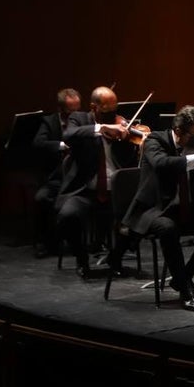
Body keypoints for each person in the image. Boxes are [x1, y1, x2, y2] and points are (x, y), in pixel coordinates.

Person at [119, 106, 194, 311]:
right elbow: (161, 164)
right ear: (178, 132)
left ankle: (183, 277)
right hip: (154, 209)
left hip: (185, 208)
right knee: (168, 229)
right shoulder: (155, 140)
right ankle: (185, 290)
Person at [54, 86, 140, 277]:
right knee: (68, 216)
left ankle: (115, 257)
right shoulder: (79, 119)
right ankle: (81, 259)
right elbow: (68, 135)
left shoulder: (121, 124)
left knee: (142, 216)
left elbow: (128, 159)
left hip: (115, 192)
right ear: (94, 107)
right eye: (106, 110)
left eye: (114, 109)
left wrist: (126, 139)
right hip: (85, 190)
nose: (112, 115)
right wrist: (101, 128)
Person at [31, 88, 81, 258]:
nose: (74, 116)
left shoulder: (82, 120)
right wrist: (61, 145)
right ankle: (43, 242)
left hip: (77, 177)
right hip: (56, 177)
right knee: (42, 198)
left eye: (77, 110)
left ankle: (79, 243)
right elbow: (38, 143)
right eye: (70, 112)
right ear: (60, 109)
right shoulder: (49, 122)